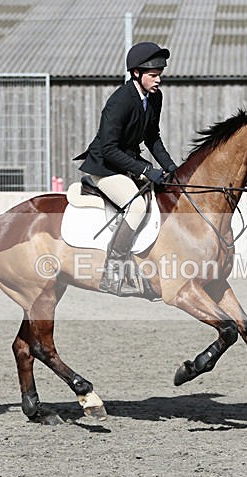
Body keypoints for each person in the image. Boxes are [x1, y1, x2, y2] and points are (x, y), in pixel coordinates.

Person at [74, 42, 178, 296]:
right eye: (153, 75)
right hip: (105, 167)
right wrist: (145, 169)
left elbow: (152, 137)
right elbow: (109, 149)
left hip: (126, 163)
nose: (158, 80)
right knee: (137, 206)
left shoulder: (154, 98)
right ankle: (113, 270)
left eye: (159, 75)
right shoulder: (120, 101)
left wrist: (171, 167)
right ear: (136, 74)